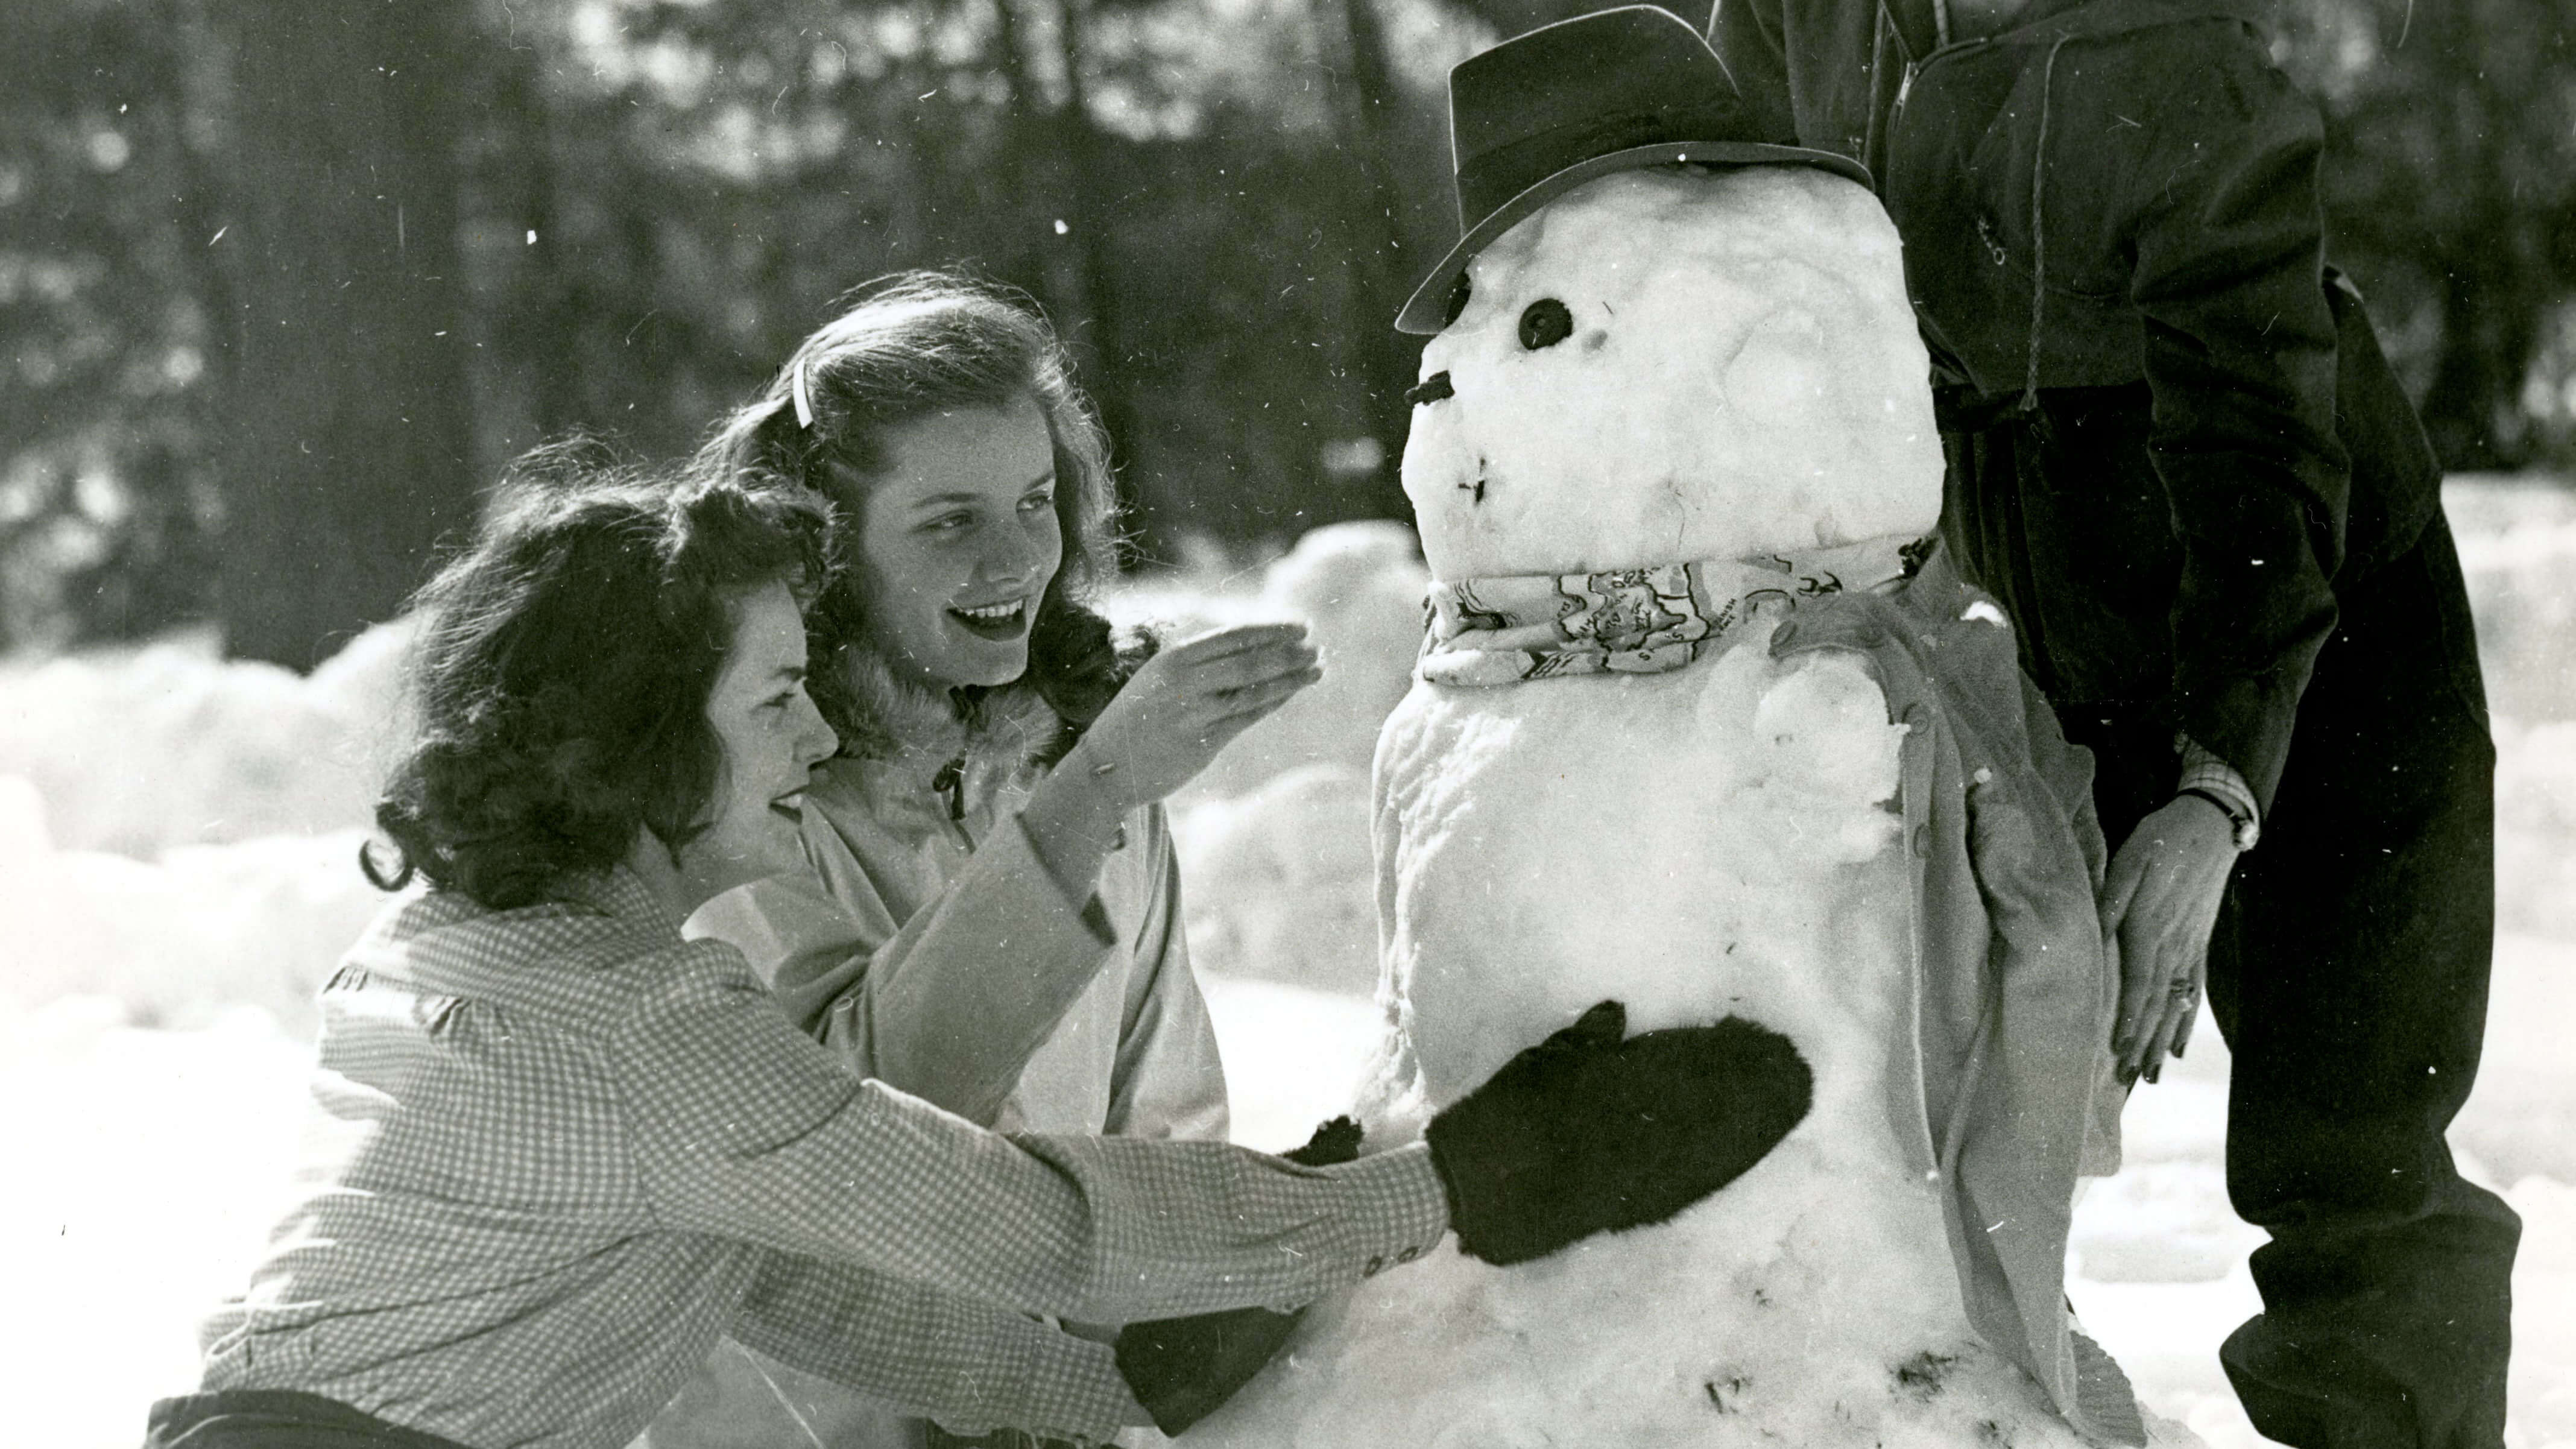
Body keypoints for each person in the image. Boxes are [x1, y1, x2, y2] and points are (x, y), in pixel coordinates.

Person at [144, 447, 1816, 1449]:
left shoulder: (468, 946)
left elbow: (789, 1272)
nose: (813, 740)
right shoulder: (636, 1031)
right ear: (649, 745)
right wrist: (1470, 1179)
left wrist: (1101, 1397)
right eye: (774, 698)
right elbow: (1027, 1226)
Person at [1697, 0, 2519, 1438]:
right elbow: (1725, 266)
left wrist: (2213, 800)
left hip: (2318, 615)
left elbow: (2260, 439)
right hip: (2046, 608)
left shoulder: (2173, 56)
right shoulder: (1794, 18)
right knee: (1947, 1106)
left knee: (2352, 1153)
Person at [640, 277, 1300, 1449]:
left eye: (1037, 503)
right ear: (829, 555)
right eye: (949, 521)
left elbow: (1167, 1126)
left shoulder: (1089, 767)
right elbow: (851, 1141)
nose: (1015, 560)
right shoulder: (741, 790)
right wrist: (1093, 796)